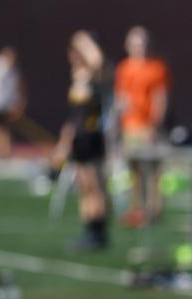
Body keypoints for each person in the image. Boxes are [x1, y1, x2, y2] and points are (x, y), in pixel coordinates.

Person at [53, 31, 108, 251]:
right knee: (83, 187)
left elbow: (97, 60)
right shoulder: (76, 76)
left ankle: (98, 231)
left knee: (95, 186)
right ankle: (88, 229)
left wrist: (82, 40)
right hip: (78, 138)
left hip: (91, 137)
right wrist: (63, 143)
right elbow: (73, 116)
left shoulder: (93, 75)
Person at [115, 26, 170, 227]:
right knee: (134, 172)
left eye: (143, 44)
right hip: (130, 126)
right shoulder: (124, 68)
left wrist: (155, 124)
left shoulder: (157, 67)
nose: (140, 48)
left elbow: (159, 98)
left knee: (152, 172)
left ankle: (154, 210)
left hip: (147, 126)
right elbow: (122, 97)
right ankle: (137, 209)